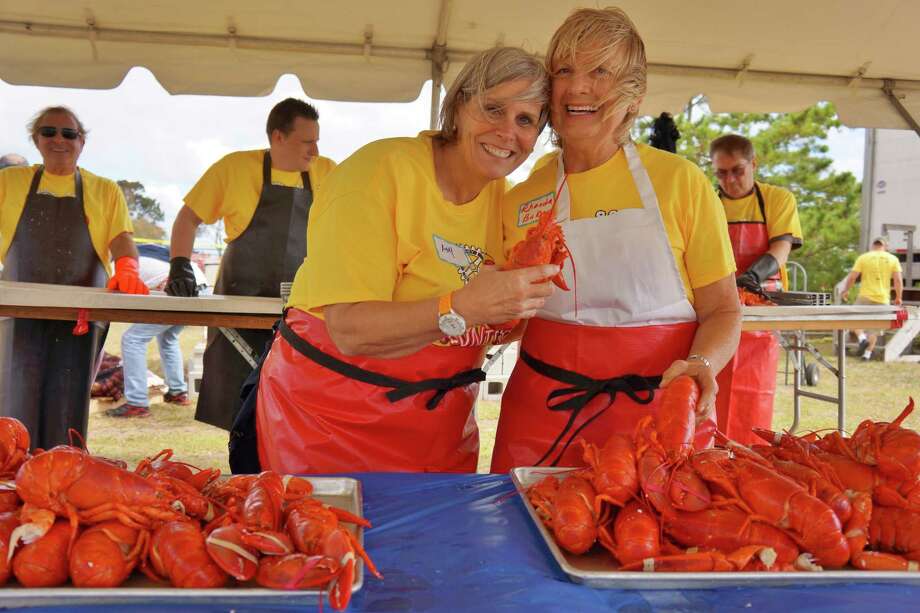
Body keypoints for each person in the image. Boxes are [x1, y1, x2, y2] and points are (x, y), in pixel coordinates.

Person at [236, 46, 556, 474]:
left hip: (437, 431)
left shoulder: (507, 203)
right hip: (329, 423)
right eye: (493, 109)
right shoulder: (377, 174)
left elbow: (488, 322)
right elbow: (349, 330)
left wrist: (508, 311)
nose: (506, 132)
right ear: (459, 107)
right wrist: (463, 307)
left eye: (525, 120)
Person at [490, 8, 742, 473]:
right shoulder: (520, 196)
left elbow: (724, 309)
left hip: (660, 421)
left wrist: (703, 362)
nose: (578, 88)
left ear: (634, 95)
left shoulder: (679, 182)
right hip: (542, 418)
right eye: (564, 71)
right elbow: (504, 323)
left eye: (600, 71)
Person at [166, 98, 336, 431]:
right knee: (239, 408)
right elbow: (188, 218)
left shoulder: (328, 172)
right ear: (278, 137)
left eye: (317, 141)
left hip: (301, 311)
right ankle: (244, 479)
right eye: (307, 141)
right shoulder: (234, 168)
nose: (315, 150)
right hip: (238, 309)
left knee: (294, 409)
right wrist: (180, 264)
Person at [0, 106, 147, 449]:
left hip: (80, 315)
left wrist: (127, 266)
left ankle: (65, 477)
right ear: (36, 140)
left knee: (68, 404)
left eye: (69, 133)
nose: (58, 140)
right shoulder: (10, 182)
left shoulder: (104, 189)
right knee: (14, 406)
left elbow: (121, 238)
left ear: (82, 142)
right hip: (21, 312)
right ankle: (11, 486)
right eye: (48, 132)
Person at [710, 134, 804, 445]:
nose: (730, 180)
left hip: (760, 309)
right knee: (714, 388)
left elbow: (781, 248)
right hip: (717, 308)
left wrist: (752, 276)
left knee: (754, 391)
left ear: (754, 164)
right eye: (721, 173)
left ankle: (753, 452)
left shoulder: (779, 199)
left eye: (737, 170)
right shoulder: (709, 203)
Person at [106, 243, 210, 418]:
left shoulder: (117, 264)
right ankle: (177, 392)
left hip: (178, 289)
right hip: (200, 287)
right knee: (168, 338)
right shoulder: (143, 249)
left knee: (133, 339)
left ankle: (137, 403)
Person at [840, 236, 904, 360]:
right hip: (883, 299)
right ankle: (867, 355)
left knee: (853, 321)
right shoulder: (893, 259)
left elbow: (852, 277)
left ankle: (862, 339)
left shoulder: (864, 257)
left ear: (873, 246)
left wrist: (846, 290)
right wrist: (898, 297)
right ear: (885, 247)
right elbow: (898, 280)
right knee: (875, 328)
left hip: (865, 296)